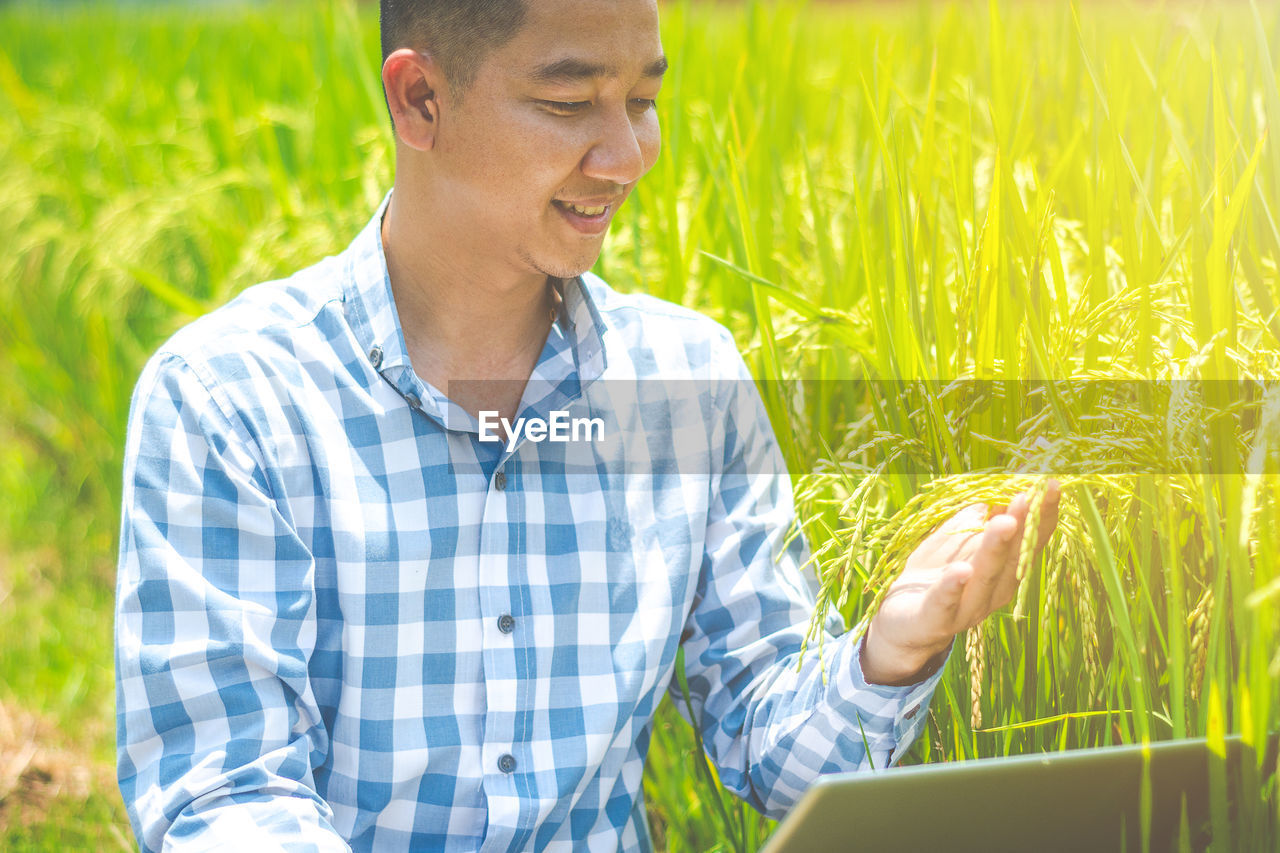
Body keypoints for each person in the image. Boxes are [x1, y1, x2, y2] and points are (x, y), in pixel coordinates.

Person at [114, 0, 1061, 850]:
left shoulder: (688, 384)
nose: (627, 156)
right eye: (570, 106)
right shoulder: (230, 399)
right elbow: (227, 797)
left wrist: (891, 652)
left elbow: (776, 750)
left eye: (642, 102)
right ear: (420, 102)